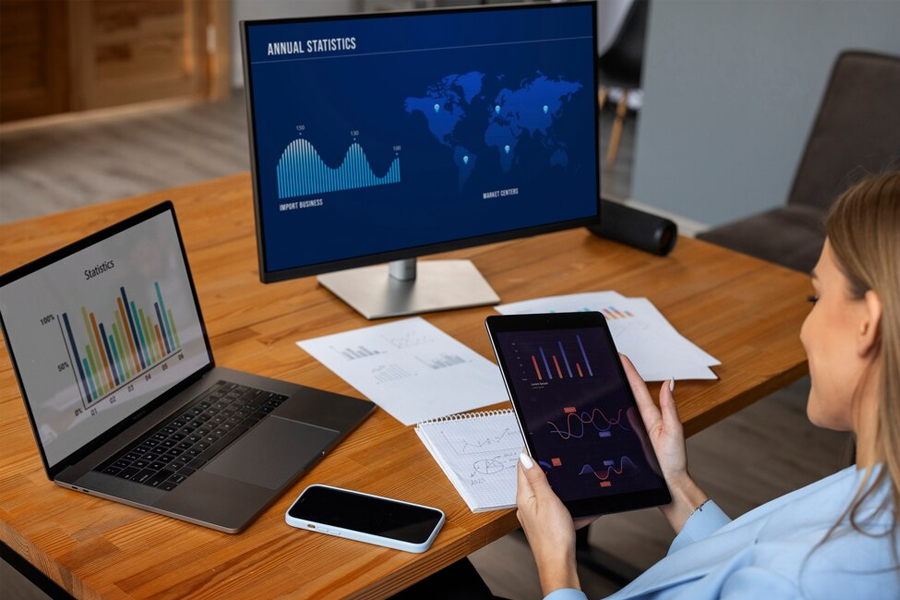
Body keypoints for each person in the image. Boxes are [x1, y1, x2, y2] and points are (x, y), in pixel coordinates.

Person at [394, 171, 900, 599]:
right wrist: (675, 484)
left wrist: (556, 567)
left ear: (867, 322)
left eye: (816, 299)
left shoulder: (802, 579)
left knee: (401, 568)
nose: (806, 329)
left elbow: (774, 579)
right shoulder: (876, 489)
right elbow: (745, 568)